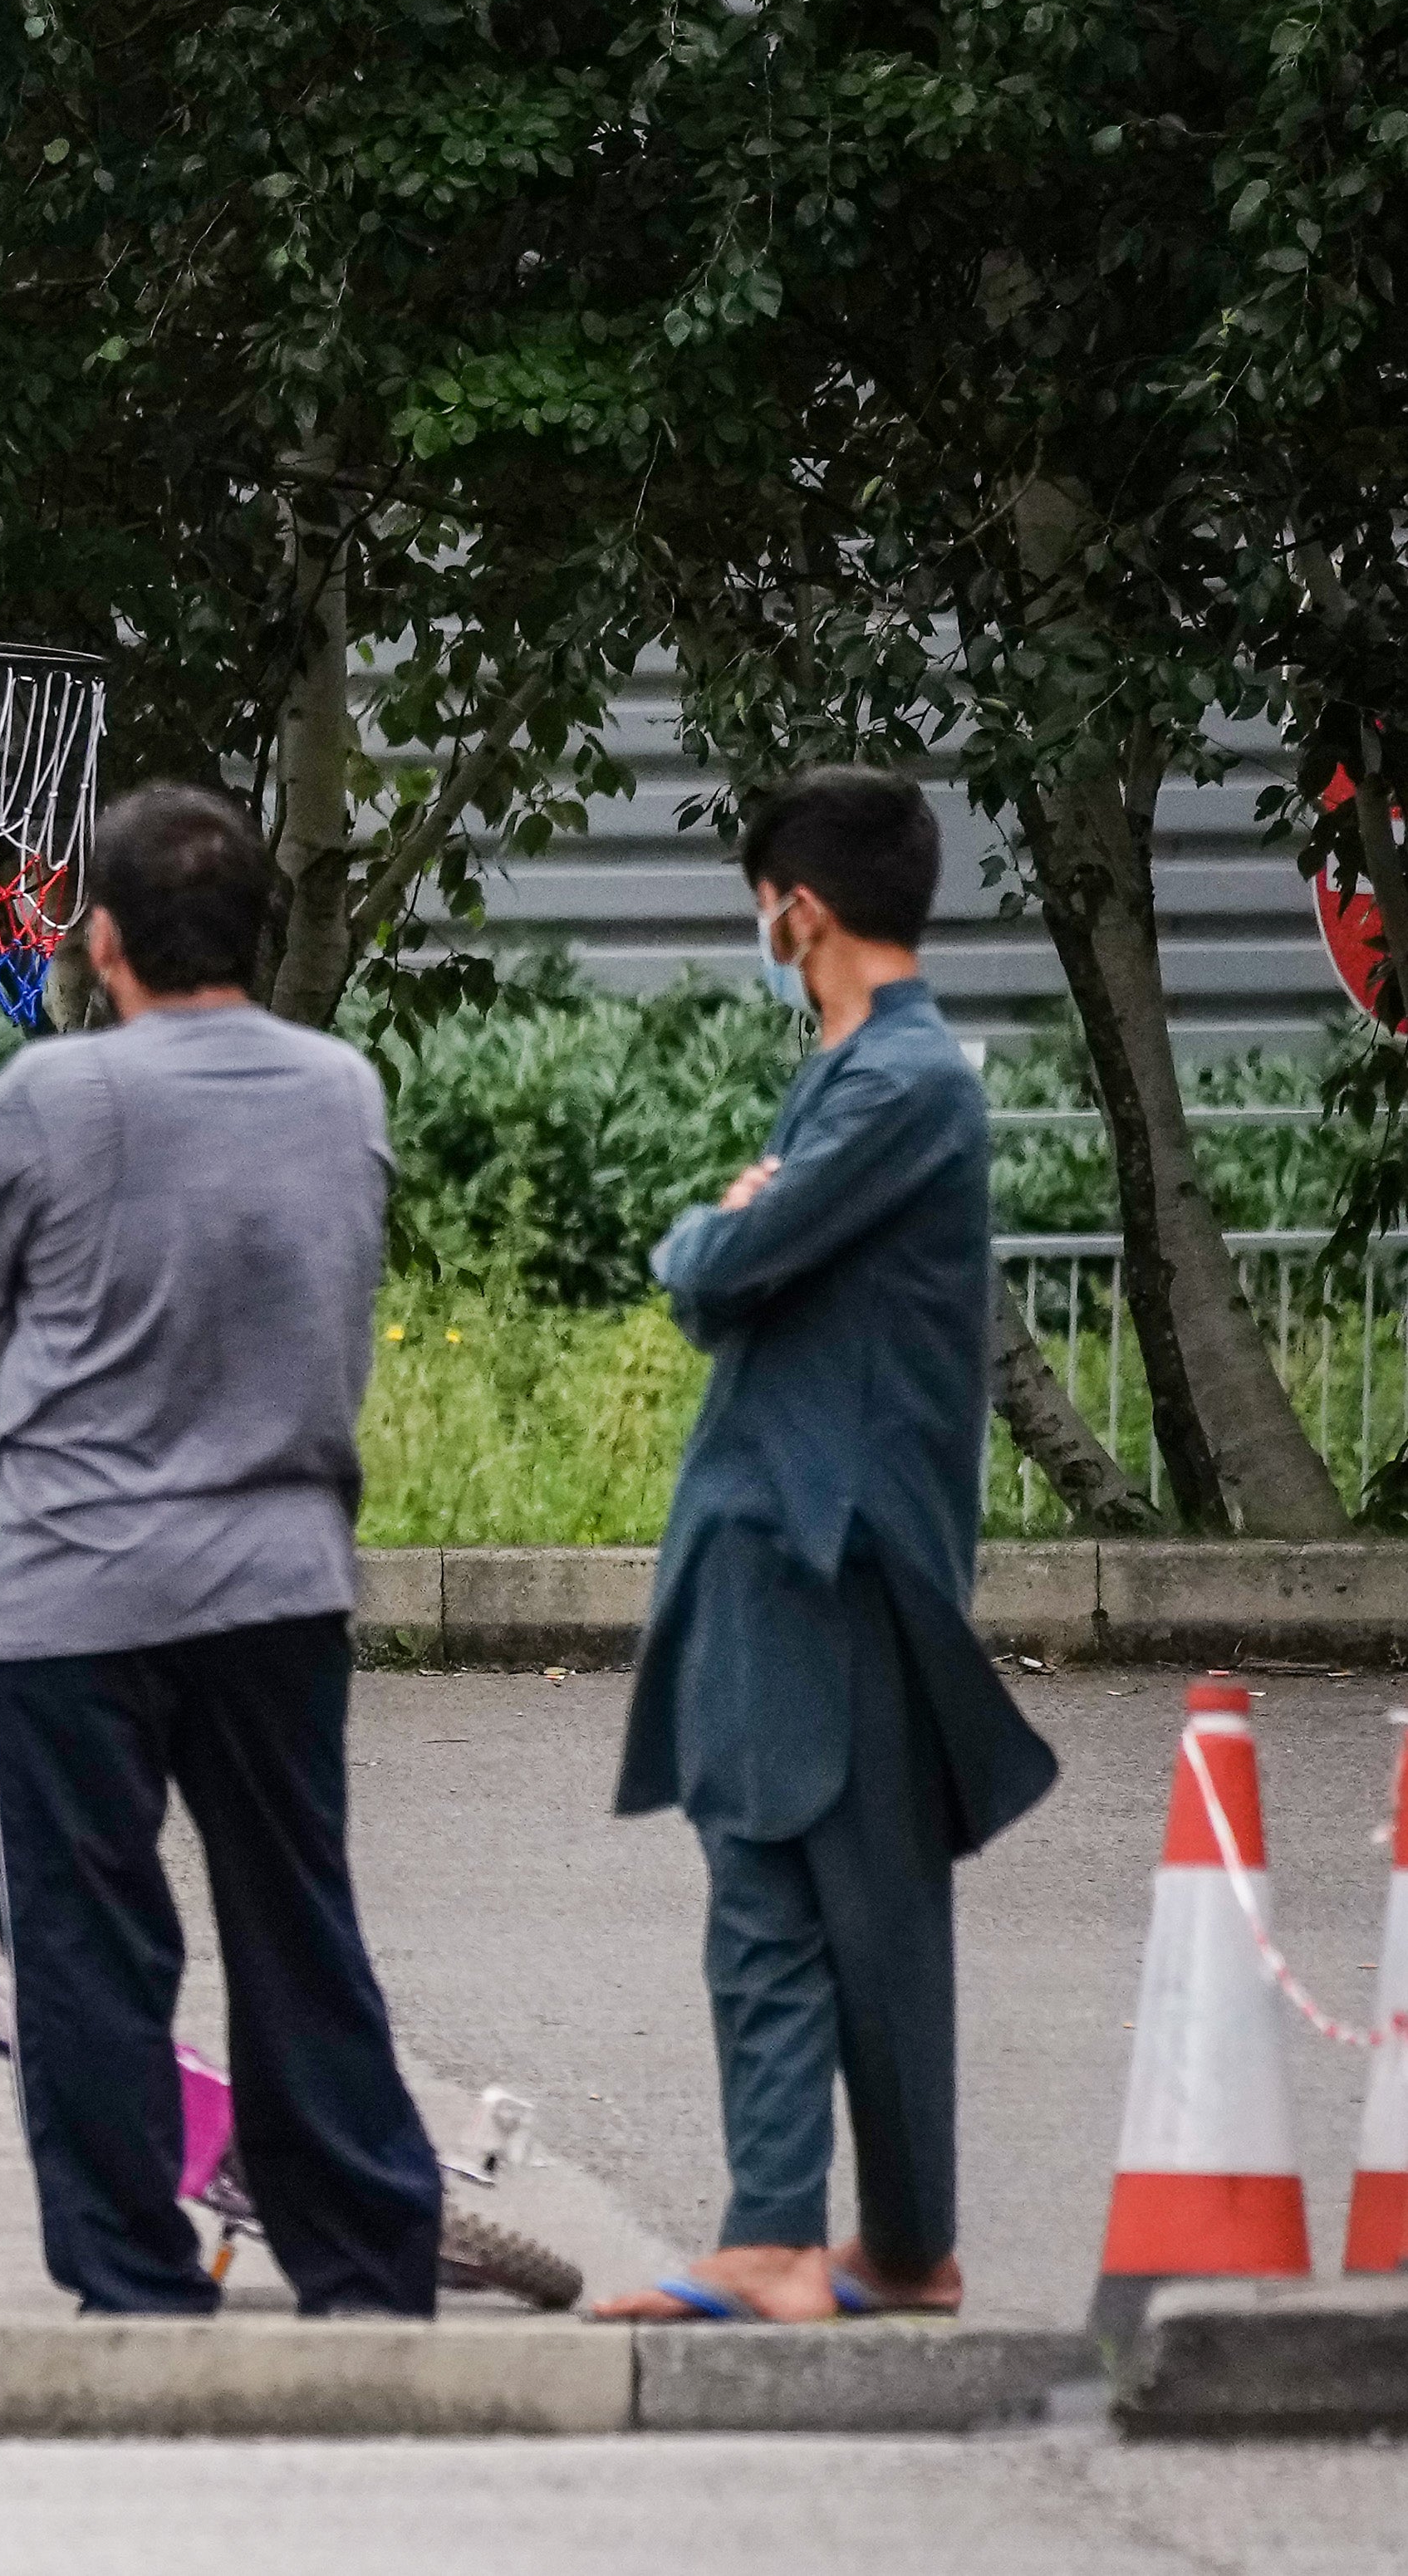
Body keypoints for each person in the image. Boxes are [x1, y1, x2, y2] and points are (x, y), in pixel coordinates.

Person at [0, 781, 440, 2317]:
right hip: (277, 1576)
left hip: (72, 1586)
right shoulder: (342, 1088)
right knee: (293, 1918)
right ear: (256, 936)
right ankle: (365, 2260)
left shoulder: (56, 1097)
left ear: (102, 942)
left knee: (85, 1939)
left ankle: (134, 2273)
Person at [590, 768, 1056, 2326]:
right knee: (856, 1891)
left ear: (798, 905)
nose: (760, 929)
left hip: (812, 1536)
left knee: (766, 1877)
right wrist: (737, 1232)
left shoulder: (892, 1086)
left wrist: (709, 1229)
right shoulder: (870, 1072)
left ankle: (778, 2241)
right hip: (834, 1534)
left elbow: (722, 1265)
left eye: (759, 900)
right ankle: (900, 2249)